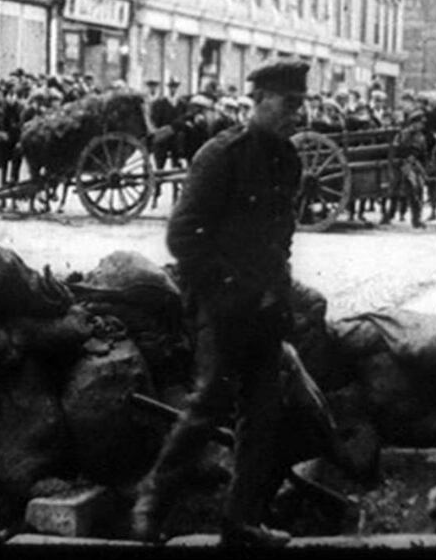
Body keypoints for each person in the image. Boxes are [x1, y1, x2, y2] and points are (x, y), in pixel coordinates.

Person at [131, 59, 308, 548]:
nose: (297, 114)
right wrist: (224, 288)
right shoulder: (221, 155)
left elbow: (281, 237)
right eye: (288, 104)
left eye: (300, 104)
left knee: (263, 417)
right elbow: (182, 235)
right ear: (259, 101)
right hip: (222, 307)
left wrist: (279, 289)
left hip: (265, 309)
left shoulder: (287, 160)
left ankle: (241, 520)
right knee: (207, 406)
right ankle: (151, 506)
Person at [382, 109, 429, 228]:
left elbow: (423, 153)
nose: (421, 125)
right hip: (404, 165)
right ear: (414, 123)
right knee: (407, 192)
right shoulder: (405, 134)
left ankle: (411, 218)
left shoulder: (419, 136)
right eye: (420, 123)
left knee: (412, 192)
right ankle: (409, 219)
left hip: (413, 166)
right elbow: (398, 149)